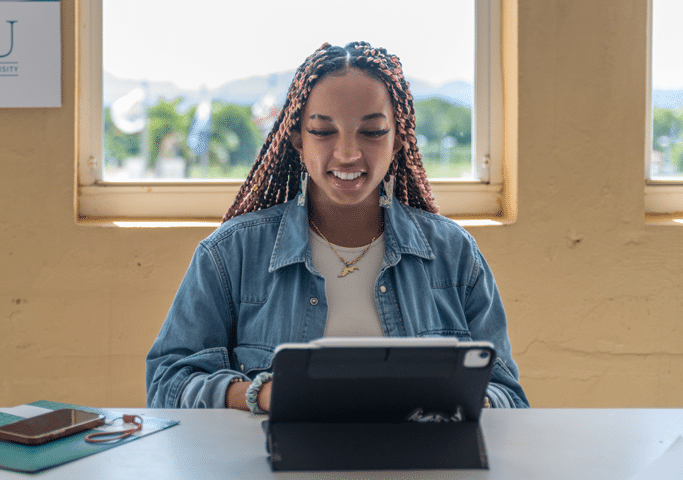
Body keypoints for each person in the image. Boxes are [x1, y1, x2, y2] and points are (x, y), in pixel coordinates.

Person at [146, 41, 529, 412]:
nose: (347, 153)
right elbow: (167, 384)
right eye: (323, 131)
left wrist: (465, 396)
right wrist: (260, 394)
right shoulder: (230, 254)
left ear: (398, 140)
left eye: (373, 131)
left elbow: (509, 395)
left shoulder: (455, 254)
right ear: (297, 138)